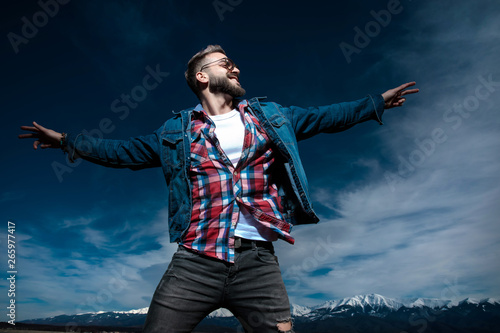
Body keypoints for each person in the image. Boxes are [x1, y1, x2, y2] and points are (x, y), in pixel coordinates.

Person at [19, 44, 419, 333]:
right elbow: (122, 151)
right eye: (227, 64)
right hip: (194, 261)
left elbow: (328, 116)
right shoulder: (176, 131)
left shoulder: (272, 117)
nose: (238, 70)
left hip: (259, 264)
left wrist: (375, 103)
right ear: (202, 76)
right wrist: (67, 141)